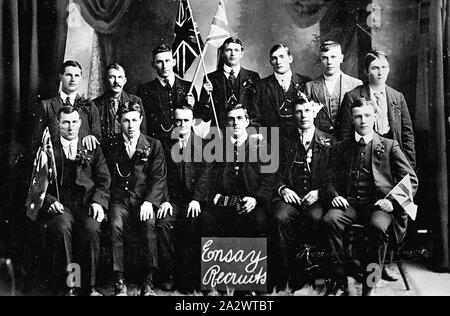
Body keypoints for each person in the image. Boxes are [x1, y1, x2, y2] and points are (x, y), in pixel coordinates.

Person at [322, 98, 418, 296]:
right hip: (350, 205)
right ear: (351, 119)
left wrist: (391, 202)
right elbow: (328, 180)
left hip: (379, 207)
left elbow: (411, 179)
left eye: (367, 115)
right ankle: (340, 277)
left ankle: (370, 284)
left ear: (375, 117)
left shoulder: (390, 145)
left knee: (377, 227)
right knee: (330, 220)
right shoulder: (341, 147)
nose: (363, 120)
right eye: (358, 116)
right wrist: (334, 195)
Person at [37, 106, 110, 296]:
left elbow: (104, 180)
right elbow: (38, 182)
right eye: (66, 122)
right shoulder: (48, 148)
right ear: (58, 124)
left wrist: (98, 202)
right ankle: (70, 286)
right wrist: (50, 201)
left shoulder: (91, 147)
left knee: (92, 229)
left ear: (80, 123)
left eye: (74, 122)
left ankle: (89, 287)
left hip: (87, 204)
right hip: (62, 206)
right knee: (61, 228)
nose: (70, 127)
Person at [105, 102, 171, 296]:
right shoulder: (110, 145)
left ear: (141, 120)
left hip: (143, 200)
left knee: (149, 223)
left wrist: (150, 202)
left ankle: (148, 281)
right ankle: (119, 280)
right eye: (126, 120)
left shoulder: (153, 144)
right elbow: (105, 175)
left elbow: (159, 177)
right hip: (120, 200)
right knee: (115, 223)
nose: (131, 125)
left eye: (135, 120)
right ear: (119, 122)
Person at [271, 94, 336, 289]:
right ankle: (284, 275)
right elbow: (272, 173)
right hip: (290, 196)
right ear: (293, 114)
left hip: (315, 198)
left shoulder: (329, 140)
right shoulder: (283, 141)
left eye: (307, 111)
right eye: (298, 112)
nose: (303, 115)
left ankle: (310, 273)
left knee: (316, 218)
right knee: (279, 217)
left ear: (314, 112)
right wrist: (283, 190)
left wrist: (319, 192)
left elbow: (335, 176)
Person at [158, 105, 212, 292]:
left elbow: (205, 175)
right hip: (172, 201)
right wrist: (164, 200)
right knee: (163, 223)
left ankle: (190, 276)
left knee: (196, 223)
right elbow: (160, 176)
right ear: (174, 122)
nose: (182, 125)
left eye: (186, 121)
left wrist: (197, 199)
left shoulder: (204, 145)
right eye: (178, 121)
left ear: (192, 122)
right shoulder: (164, 145)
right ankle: (169, 274)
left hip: (194, 201)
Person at [208, 104, 277, 237]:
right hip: (226, 202)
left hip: (253, 202)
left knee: (259, 222)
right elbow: (211, 176)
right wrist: (215, 194)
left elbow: (270, 178)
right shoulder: (219, 147)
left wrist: (256, 199)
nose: (235, 123)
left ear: (247, 121)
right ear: (227, 123)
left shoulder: (261, 146)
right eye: (231, 119)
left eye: (239, 118)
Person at [338, 50, 416, 168]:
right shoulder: (353, 96)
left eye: (384, 67)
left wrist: (409, 165)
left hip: (393, 158)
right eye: (375, 68)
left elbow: (407, 135)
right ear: (366, 71)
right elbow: (345, 134)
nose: (380, 72)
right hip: (365, 159)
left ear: (388, 69)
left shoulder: (397, 97)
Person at [32, 60, 101, 153]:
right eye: (68, 75)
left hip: (81, 162)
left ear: (81, 78)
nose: (73, 79)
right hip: (55, 163)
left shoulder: (90, 106)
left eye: (77, 76)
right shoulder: (46, 106)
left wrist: (92, 137)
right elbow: (36, 140)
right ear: (60, 77)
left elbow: (97, 136)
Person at [137, 44, 196, 142]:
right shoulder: (145, 90)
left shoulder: (188, 87)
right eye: (159, 62)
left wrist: (193, 106)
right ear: (153, 65)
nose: (164, 66)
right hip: (158, 144)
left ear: (174, 62)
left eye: (167, 61)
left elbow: (200, 117)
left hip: (185, 142)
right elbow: (142, 122)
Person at [197, 37, 260, 129]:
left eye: (236, 50)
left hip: (245, 131)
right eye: (228, 50)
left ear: (241, 53)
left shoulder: (253, 77)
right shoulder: (210, 78)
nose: (233, 54)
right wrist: (206, 97)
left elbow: (257, 110)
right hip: (219, 131)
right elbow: (204, 116)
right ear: (222, 52)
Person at [251, 43, 312, 133]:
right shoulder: (260, 86)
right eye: (274, 58)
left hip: (300, 138)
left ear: (290, 59)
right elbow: (255, 120)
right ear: (270, 62)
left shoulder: (306, 82)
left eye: (282, 56)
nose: (278, 61)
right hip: (272, 140)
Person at [306, 41, 362, 136]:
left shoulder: (355, 84)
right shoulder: (310, 86)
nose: (329, 62)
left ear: (341, 58)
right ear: (320, 60)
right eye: (325, 58)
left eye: (333, 57)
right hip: (321, 140)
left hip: (348, 140)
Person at [93, 63, 147, 149]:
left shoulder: (135, 101)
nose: (116, 82)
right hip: (104, 152)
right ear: (105, 80)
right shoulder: (95, 104)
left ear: (125, 80)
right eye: (112, 77)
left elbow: (143, 131)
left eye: (120, 77)